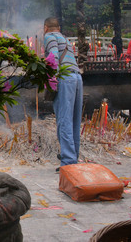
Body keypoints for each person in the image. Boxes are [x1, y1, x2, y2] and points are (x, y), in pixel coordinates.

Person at [43, 17, 83, 170]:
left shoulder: (49, 37)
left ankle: (68, 162)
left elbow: (53, 58)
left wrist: (52, 82)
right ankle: (73, 157)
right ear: (58, 27)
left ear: (46, 27)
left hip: (65, 79)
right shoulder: (65, 39)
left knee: (64, 121)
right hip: (77, 78)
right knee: (74, 120)